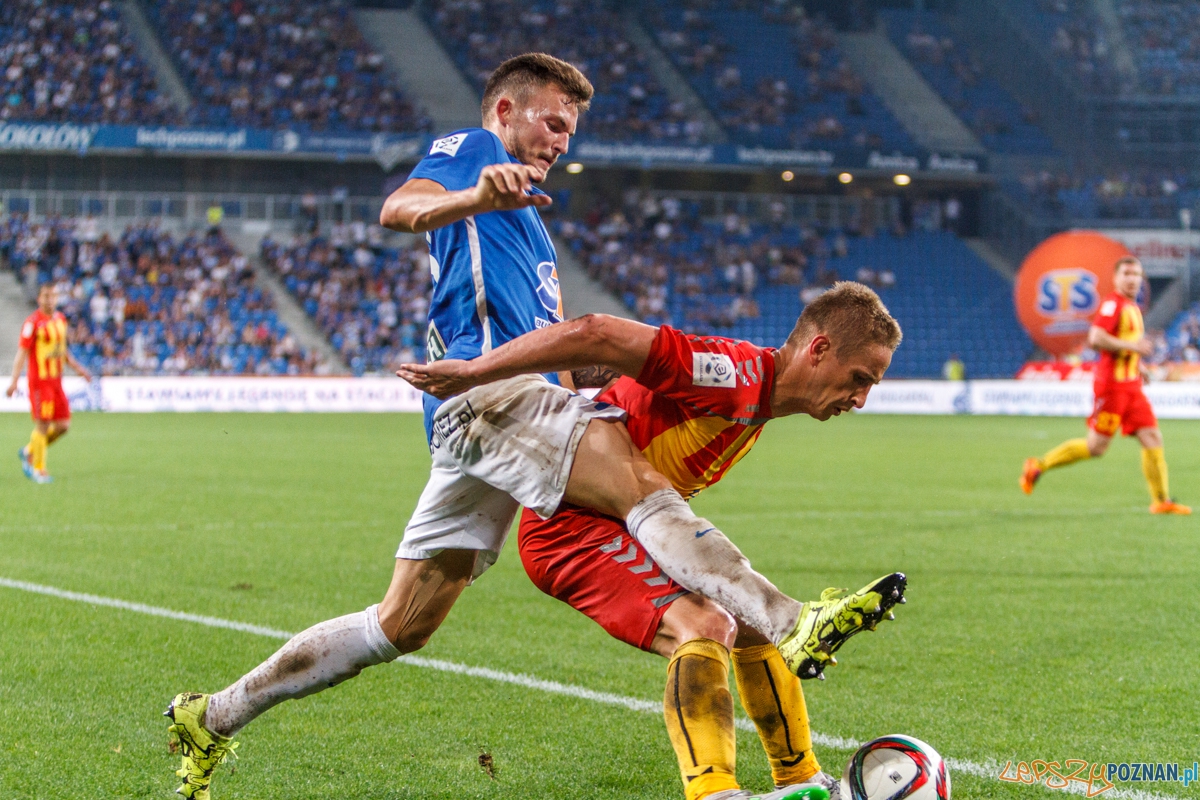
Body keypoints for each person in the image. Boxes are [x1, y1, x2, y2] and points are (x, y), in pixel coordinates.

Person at [165, 53, 892, 800]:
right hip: (491, 400)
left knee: (401, 625)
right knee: (635, 480)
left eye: (571, 130)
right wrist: (472, 195)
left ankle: (212, 715)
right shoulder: (472, 153)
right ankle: (787, 618)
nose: (562, 140)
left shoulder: (532, 229)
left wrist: (593, 378)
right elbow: (399, 209)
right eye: (553, 121)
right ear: (504, 111)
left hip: (494, 421)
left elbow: (563, 353)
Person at [400, 282, 906, 800]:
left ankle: (801, 777)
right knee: (704, 624)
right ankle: (714, 792)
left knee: (754, 621)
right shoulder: (732, 374)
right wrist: (474, 373)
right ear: (819, 349)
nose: (861, 399)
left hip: (620, 523)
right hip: (569, 530)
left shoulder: (755, 400)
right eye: (859, 378)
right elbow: (597, 333)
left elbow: (611, 377)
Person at [1021, 256, 1190, 514]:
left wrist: (1138, 367)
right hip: (1112, 388)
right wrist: (1133, 347)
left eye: (1137, 274)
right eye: (1127, 274)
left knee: (1152, 436)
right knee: (1096, 447)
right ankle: (1038, 465)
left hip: (1132, 386)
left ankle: (1161, 501)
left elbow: (1123, 344)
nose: (1132, 279)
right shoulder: (1113, 305)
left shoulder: (1132, 307)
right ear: (1116, 278)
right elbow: (1096, 337)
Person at [6, 284, 92, 483]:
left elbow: (62, 350)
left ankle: (29, 451)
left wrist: (79, 369)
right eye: (46, 296)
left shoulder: (60, 319)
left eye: (53, 296)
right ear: (39, 299)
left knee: (63, 425)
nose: (50, 300)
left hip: (56, 381)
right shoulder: (32, 323)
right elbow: (22, 353)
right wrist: (14, 381)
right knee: (43, 425)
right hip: (40, 382)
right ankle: (38, 470)